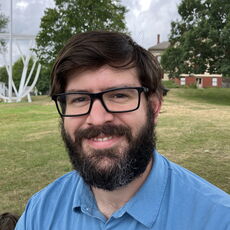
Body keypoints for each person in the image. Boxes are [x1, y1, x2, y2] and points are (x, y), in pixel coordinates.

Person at [15, 31, 230, 230]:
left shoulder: (217, 219)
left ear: (154, 107)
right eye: (79, 99)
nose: (97, 119)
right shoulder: (39, 214)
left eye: (118, 95)